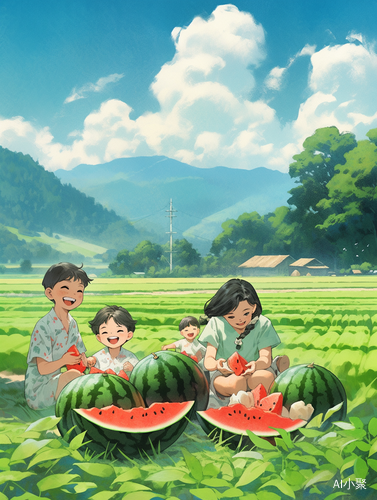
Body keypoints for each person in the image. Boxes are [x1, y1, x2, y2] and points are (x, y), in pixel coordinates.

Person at [199, 278, 289, 408]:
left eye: (246, 313)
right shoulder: (215, 323)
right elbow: (208, 361)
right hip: (224, 374)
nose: (240, 320)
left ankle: (274, 370)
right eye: (231, 316)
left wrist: (255, 365)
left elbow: (265, 358)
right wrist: (219, 365)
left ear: (254, 307)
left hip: (257, 370)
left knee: (264, 378)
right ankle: (277, 367)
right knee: (236, 383)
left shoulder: (263, 323)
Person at [25, 262, 92, 410]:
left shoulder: (72, 323)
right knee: (73, 377)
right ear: (50, 293)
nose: (73, 295)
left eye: (79, 291)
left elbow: (80, 355)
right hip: (39, 391)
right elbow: (42, 369)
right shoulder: (43, 326)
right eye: (65, 288)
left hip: (59, 381)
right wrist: (64, 361)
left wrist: (88, 362)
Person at [86, 305, 139, 376]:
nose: (111, 334)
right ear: (99, 337)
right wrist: (88, 362)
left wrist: (132, 369)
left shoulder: (130, 357)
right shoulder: (97, 357)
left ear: (129, 335)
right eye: (105, 332)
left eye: (119, 330)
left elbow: (138, 375)